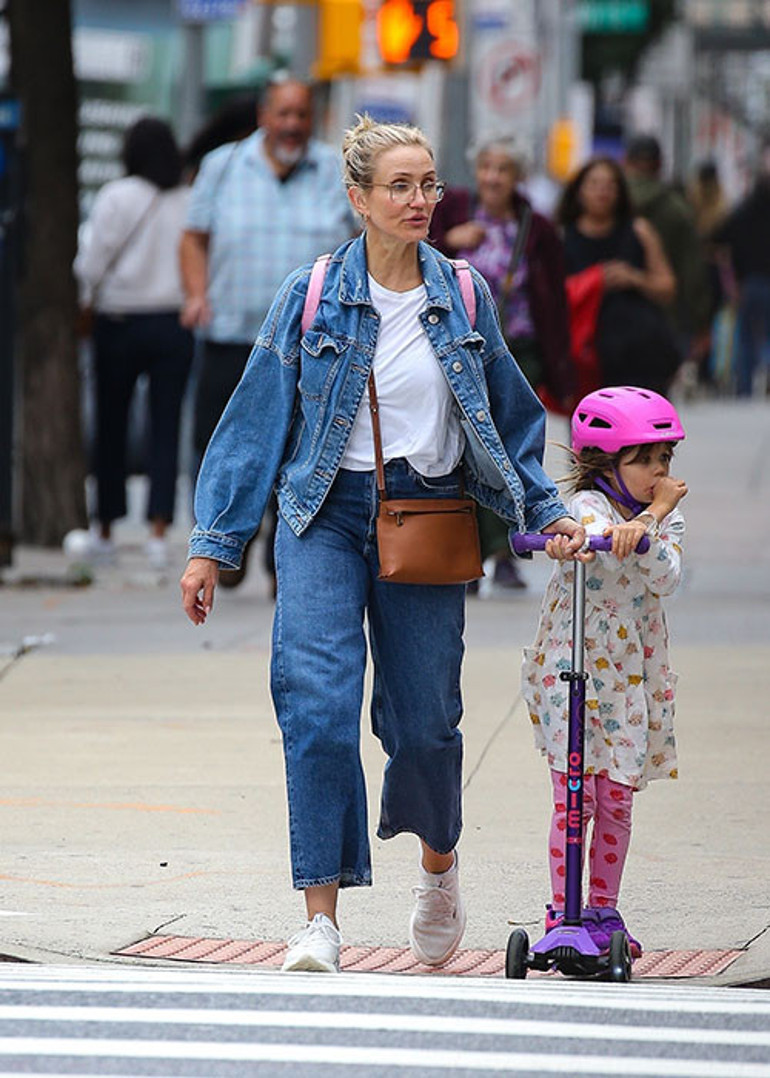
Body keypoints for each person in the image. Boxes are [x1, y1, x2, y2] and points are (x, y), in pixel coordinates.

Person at [180, 114, 585, 974]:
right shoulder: (314, 292)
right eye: (398, 186)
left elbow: (511, 421)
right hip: (322, 516)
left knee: (427, 725)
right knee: (318, 708)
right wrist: (212, 543)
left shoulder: (464, 295)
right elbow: (256, 421)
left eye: (428, 185)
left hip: (428, 512)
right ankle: (320, 918)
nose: (419, 201)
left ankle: (438, 870)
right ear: (358, 199)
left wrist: (550, 515)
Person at [521, 386, 688, 956]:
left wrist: (652, 518)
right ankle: (562, 911)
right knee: (575, 799)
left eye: (663, 459)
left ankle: (603, 910)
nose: (656, 470)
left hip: (627, 684)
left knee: (616, 799)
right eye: (642, 459)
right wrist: (566, 542)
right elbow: (582, 533)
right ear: (605, 462)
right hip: (572, 674)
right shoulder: (589, 508)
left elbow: (665, 575)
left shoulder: (666, 522)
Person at [179, 76, 354, 589]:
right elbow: (193, 238)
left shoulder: (335, 172)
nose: (292, 125)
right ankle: (227, 541)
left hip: (314, 341)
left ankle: (286, 554)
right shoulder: (224, 165)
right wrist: (195, 294)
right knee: (224, 441)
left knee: (302, 448)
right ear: (263, 115)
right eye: (284, 114)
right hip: (232, 332)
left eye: (301, 115)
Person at [430, 137, 576, 590]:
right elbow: (412, 253)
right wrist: (449, 242)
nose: (493, 177)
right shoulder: (451, 210)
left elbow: (554, 298)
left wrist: (561, 366)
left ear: (518, 178)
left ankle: (506, 549)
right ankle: (472, 550)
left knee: (508, 447)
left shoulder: (537, 226)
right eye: (487, 166)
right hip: (456, 346)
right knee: (463, 447)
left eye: (504, 169)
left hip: (518, 349)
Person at [75, 116, 194, 570]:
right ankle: (159, 532)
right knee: (166, 426)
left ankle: (105, 526)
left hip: (119, 319)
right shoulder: (186, 199)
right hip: (172, 321)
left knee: (111, 423)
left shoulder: (116, 197)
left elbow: (92, 261)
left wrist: (85, 301)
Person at [558, 157, 679, 396]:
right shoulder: (563, 237)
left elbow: (668, 287)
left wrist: (635, 278)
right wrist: (593, 280)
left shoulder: (639, 231)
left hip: (642, 353)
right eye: (594, 184)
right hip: (588, 356)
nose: (602, 192)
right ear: (579, 191)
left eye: (610, 185)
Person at [624, 135, 711, 355]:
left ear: (626, 161)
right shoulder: (677, 209)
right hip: (668, 319)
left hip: (608, 321)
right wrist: (701, 321)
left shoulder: (605, 204)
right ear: (659, 164)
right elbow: (693, 271)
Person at [712, 157, 770, 397]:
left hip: (749, 282)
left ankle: (744, 386)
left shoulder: (743, 211)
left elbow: (718, 239)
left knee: (746, 336)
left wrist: (731, 277)